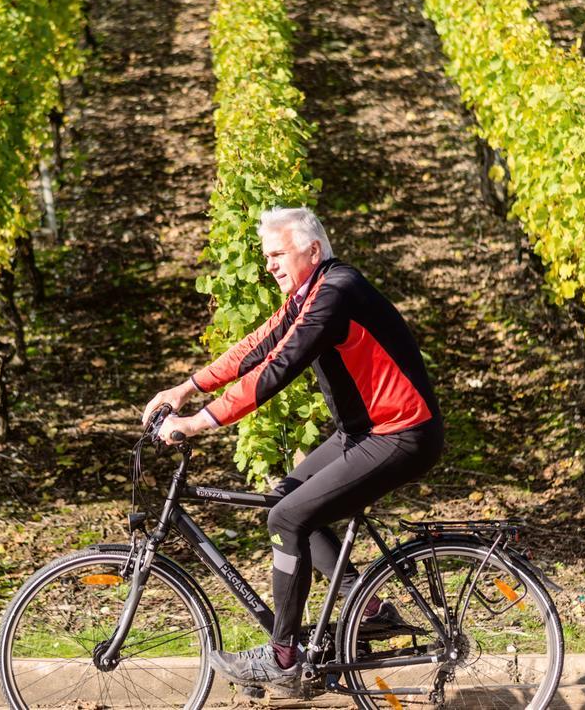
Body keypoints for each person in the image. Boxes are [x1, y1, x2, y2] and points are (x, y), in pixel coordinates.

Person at [141, 206, 445, 691]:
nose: (270, 265)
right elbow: (257, 345)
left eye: (278, 254)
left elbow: (278, 368)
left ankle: (283, 658)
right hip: (365, 431)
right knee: (287, 497)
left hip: (401, 432)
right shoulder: (311, 293)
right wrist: (187, 387)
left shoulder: (336, 293)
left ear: (313, 251)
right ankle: (366, 608)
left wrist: (198, 422)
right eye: (266, 257)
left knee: (286, 519)